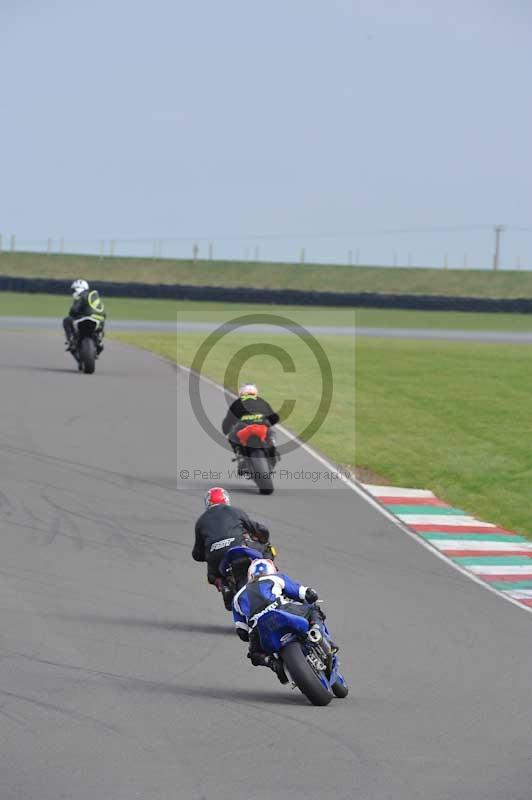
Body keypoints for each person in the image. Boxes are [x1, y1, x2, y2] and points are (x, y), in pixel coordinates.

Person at [232, 558, 332, 684]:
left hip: (259, 627)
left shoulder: (237, 598)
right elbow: (304, 593)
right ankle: (317, 633)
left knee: (254, 654)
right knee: (313, 609)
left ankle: (271, 662)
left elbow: (242, 632)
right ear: (272, 570)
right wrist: (312, 595)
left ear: (250, 575)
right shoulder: (275, 578)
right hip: (283, 611)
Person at [192, 487, 271, 604]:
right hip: (237, 548)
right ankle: (269, 574)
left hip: (216, 557)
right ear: (226, 500)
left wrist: (209, 552)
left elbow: (197, 554)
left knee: (211, 575)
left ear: (207, 503)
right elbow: (257, 529)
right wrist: (263, 537)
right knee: (268, 548)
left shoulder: (200, 521)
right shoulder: (235, 511)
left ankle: (223, 585)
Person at [222, 383, 280, 461]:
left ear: (241, 393)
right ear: (255, 393)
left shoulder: (237, 402)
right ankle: (272, 443)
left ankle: (239, 452)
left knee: (231, 436)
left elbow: (228, 421)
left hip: (243, 425)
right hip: (261, 423)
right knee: (270, 432)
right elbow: (275, 417)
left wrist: (226, 431)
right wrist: (268, 424)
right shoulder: (262, 401)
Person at [63, 279, 106, 353]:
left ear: (78, 289)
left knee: (67, 320)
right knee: (100, 326)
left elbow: (74, 310)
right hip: (99, 319)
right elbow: (103, 313)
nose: (73, 292)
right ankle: (99, 340)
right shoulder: (95, 297)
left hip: (86, 319)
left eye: (73, 290)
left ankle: (71, 340)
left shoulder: (81, 295)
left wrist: (74, 313)